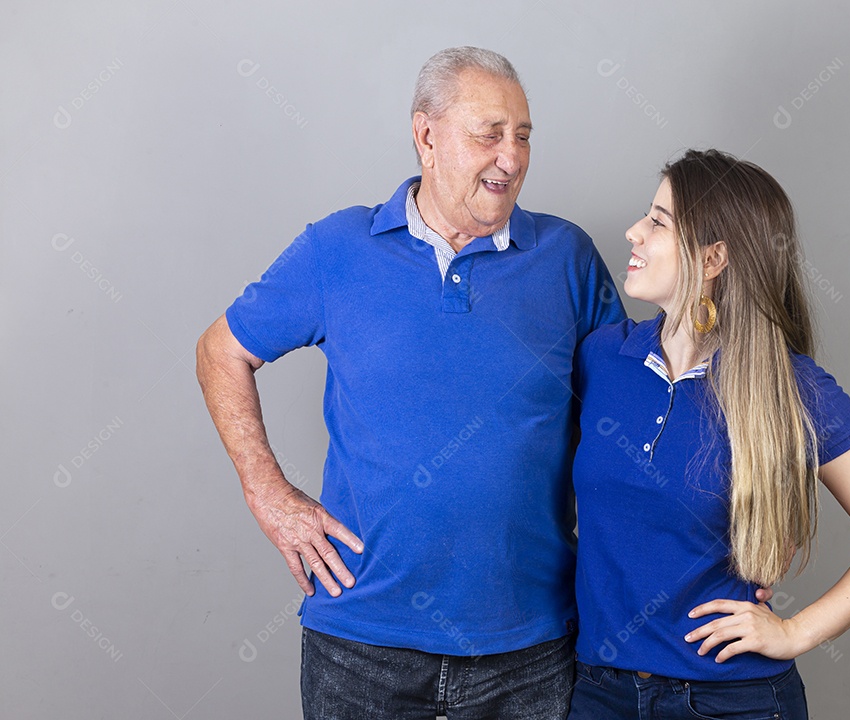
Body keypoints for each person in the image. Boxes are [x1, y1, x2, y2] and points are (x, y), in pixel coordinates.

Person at [195, 47, 625, 719]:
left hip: (531, 648)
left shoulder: (566, 258)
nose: (511, 157)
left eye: (523, 136)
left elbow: (628, 419)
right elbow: (220, 351)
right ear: (426, 135)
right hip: (361, 646)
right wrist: (266, 490)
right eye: (490, 134)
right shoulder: (338, 249)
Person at [567, 149, 850, 719]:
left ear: (713, 257)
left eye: (659, 222)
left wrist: (797, 631)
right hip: (598, 694)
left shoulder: (792, 388)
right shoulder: (602, 356)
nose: (633, 232)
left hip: (730, 702)